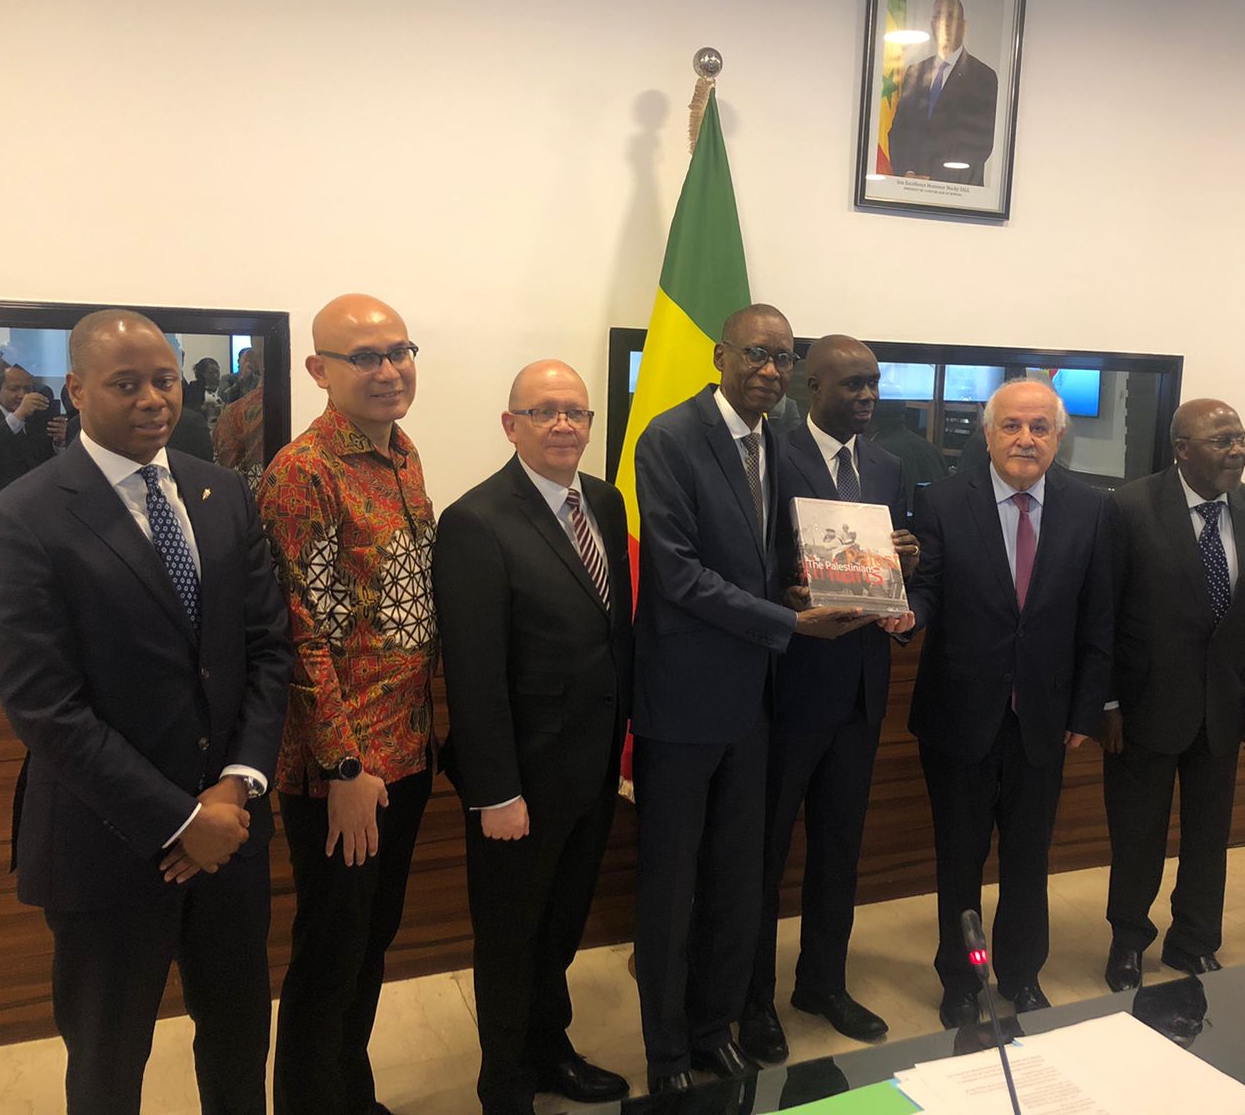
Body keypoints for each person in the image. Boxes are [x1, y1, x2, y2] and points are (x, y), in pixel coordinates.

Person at [0, 308, 292, 1115]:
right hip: (104, 845)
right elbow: (46, 708)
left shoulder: (222, 491)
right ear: (77, 389)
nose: (153, 399)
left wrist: (235, 789)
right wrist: (179, 819)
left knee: (239, 1039)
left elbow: (266, 649)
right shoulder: (19, 520)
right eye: (126, 384)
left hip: (232, 834)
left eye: (165, 380)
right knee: (108, 1063)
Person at [632, 304, 874, 1092]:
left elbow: (764, 561)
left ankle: (713, 1028)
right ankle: (668, 1053)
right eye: (756, 355)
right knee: (672, 887)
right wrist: (789, 621)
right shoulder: (670, 438)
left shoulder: (774, 441)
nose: (770, 370)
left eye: (783, 358)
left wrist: (810, 585)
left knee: (735, 880)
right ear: (720, 355)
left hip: (755, 703)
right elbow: (677, 572)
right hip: (683, 704)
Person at [433, 360, 633, 1115]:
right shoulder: (476, 521)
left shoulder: (604, 502)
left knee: (560, 928)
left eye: (576, 412)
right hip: (520, 781)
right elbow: (474, 673)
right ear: (510, 424)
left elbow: (612, 633)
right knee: (511, 937)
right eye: (544, 411)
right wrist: (496, 792)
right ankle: (506, 1084)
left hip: (592, 767)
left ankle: (551, 1051)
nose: (563, 425)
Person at [259, 294, 437, 1115]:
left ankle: (350, 1097)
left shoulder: (402, 453)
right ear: (318, 370)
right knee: (330, 955)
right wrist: (344, 766)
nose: (389, 370)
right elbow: (298, 634)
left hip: (407, 751)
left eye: (399, 351)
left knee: (370, 945)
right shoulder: (303, 474)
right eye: (365, 356)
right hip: (344, 772)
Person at [906, 378, 1112, 1027]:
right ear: (988, 434)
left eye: (1040, 427)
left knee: (1029, 859)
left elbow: (1098, 618)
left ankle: (1022, 975)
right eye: (1012, 426)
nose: (1026, 439)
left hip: (1043, 721)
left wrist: (1085, 712)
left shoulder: (1091, 507)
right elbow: (927, 589)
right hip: (958, 717)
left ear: (1059, 436)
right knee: (958, 860)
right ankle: (962, 980)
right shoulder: (942, 501)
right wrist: (905, 616)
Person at [740, 335, 917, 1063]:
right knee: (766, 854)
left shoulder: (888, 466)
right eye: (851, 384)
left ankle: (822, 983)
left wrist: (906, 564)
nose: (867, 395)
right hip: (790, 685)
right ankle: (752, 1001)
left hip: (861, 690)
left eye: (873, 383)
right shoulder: (771, 456)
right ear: (810, 387)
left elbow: (890, 570)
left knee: (839, 850)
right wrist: (785, 592)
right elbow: (753, 563)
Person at [1098, 399, 1245, 991]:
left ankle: (1196, 940)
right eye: (1222, 440)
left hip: (1224, 705)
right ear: (1182, 448)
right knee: (1138, 835)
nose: (1237, 451)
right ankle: (1129, 941)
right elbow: (1102, 612)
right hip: (1144, 705)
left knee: (1210, 833)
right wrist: (1107, 703)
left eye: (1241, 438)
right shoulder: (1129, 506)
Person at [887, 0, 1000, 187]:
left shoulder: (983, 76)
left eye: (951, 16)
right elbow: (899, 131)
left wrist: (933, 181)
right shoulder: (914, 72)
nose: (944, 23)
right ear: (932, 25)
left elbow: (980, 144)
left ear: (963, 26)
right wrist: (908, 172)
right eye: (938, 16)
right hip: (909, 186)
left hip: (956, 190)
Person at [0, 361, 58, 503]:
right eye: (14, 389)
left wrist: (60, 442)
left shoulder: (39, 415)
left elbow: (46, 459)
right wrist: (17, 417)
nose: (23, 395)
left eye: (27, 389)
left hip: (38, 499)